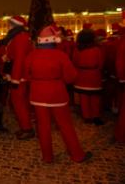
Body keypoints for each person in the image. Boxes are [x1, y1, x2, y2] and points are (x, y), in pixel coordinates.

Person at [24, 24, 92, 163]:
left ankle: (47, 157)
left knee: (43, 126)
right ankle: (77, 155)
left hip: (37, 94)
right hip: (57, 93)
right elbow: (71, 76)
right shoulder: (60, 55)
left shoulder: (31, 55)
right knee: (65, 125)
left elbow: (27, 75)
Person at [0, 15, 34, 140]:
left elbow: (19, 59)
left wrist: (15, 79)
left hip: (19, 76)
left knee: (19, 103)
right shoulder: (19, 36)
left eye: (9, 24)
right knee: (20, 103)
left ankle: (27, 129)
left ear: (15, 25)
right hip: (19, 74)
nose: (8, 26)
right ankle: (25, 126)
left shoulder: (20, 38)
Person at [72, 28, 104, 125]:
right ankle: (96, 116)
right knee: (95, 98)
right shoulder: (97, 49)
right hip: (94, 75)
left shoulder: (77, 50)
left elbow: (74, 62)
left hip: (81, 75)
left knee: (84, 98)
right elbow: (101, 63)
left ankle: (87, 117)